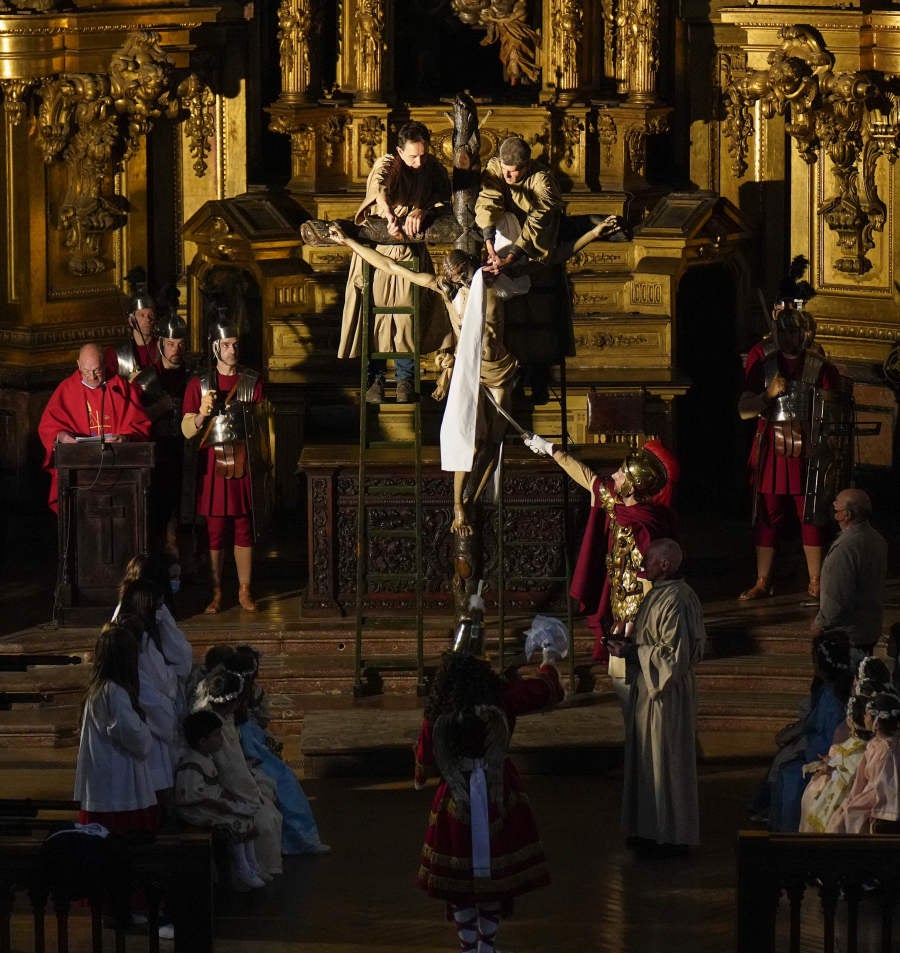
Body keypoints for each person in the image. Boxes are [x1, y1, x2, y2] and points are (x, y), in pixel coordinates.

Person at [414, 638, 563, 953]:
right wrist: (548, 660)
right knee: (494, 878)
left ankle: (469, 947)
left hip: (455, 797)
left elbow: (425, 755)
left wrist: (422, 774)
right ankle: (486, 946)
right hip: (498, 793)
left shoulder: (440, 708)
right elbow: (545, 690)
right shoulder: (502, 698)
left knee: (460, 881)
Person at [522, 434, 678, 672]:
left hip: (640, 606)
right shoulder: (614, 500)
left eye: (620, 474)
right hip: (617, 598)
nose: (613, 475)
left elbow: (653, 577)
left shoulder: (647, 525)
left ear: (631, 486)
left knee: (636, 658)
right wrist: (549, 448)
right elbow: (587, 476)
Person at [337, 120, 451, 404]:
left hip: (410, 253)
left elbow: (443, 198)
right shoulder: (388, 164)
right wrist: (389, 215)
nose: (418, 161)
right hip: (377, 252)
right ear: (400, 151)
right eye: (412, 156)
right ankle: (374, 379)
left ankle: (405, 379)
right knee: (374, 316)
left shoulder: (432, 168)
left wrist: (422, 210)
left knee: (407, 318)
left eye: (423, 154)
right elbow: (380, 188)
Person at [737, 297, 841, 601]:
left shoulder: (821, 368)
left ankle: (816, 580)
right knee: (767, 515)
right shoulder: (764, 366)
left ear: (804, 334)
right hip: (772, 446)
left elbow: (832, 413)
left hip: (808, 449)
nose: (787, 337)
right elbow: (744, 411)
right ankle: (762, 581)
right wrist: (767, 394)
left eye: (792, 332)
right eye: (782, 332)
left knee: (811, 513)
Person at [621, 538, 705, 855]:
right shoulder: (659, 594)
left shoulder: (677, 600)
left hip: (666, 694)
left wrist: (634, 652)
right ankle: (648, 828)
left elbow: (673, 658)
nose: (644, 565)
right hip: (650, 688)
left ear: (665, 564)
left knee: (666, 760)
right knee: (648, 760)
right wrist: (630, 649)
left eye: (650, 560)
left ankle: (670, 835)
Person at [181, 314, 266, 613]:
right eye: (227, 344)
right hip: (213, 465)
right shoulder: (199, 384)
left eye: (235, 344)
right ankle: (216, 592)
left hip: (244, 461)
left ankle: (244, 590)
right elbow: (187, 430)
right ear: (215, 347)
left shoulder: (253, 382)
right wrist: (202, 414)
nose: (233, 350)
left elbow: (263, 429)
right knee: (215, 531)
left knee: (244, 527)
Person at [227, 644, 330, 855]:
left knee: (286, 781)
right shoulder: (232, 700)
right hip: (242, 753)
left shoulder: (253, 694)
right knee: (282, 782)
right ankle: (296, 841)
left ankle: (300, 839)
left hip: (254, 744)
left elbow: (262, 722)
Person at [190, 667, 284, 879]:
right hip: (224, 789)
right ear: (233, 702)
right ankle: (248, 870)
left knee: (271, 810)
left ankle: (256, 866)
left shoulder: (226, 720)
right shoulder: (213, 726)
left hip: (237, 784)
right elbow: (228, 768)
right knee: (264, 821)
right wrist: (249, 794)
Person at [37, 343, 152, 513]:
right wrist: (61, 436)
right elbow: (48, 426)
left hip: (117, 468)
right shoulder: (67, 389)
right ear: (78, 365)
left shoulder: (119, 387)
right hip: (80, 467)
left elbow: (140, 424)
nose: (91, 376)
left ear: (105, 364)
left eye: (97, 370)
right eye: (86, 371)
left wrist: (126, 438)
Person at [74, 622, 157, 834]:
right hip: (116, 779)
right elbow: (129, 732)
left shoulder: (99, 688)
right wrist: (145, 732)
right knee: (119, 834)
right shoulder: (113, 692)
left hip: (105, 774)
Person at [762, 636, 851, 832]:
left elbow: (827, 735)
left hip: (828, 755)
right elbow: (813, 724)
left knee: (788, 774)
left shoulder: (832, 697)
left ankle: (786, 832)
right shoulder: (829, 691)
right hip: (820, 749)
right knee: (784, 764)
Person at [175, 710, 269, 891]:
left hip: (211, 804)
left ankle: (252, 864)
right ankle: (242, 869)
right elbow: (190, 795)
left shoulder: (207, 758)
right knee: (235, 821)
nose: (221, 740)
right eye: (217, 735)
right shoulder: (192, 763)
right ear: (202, 741)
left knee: (248, 816)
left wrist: (227, 797)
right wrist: (220, 804)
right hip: (196, 810)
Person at [811, 488, 887, 657]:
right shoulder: (877, 539)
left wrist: (820, 625)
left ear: (846, 515)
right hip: (868, 629)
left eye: (836, 505)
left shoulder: (845, 548)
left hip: (845, 636)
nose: (833, 505)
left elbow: (836, 597)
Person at [827, 691, 900, 834]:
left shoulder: (887, 751)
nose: (864, 718)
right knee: (842, 811)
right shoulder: (874, 745)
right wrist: (852, 797)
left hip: (880, 802)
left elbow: (884, 788)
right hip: (870, 794)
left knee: (845, 818)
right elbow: (861, 779)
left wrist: (856, 802)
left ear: (876, 723)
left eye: (866, 715)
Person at [800, 693, 872, 833]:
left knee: (813, 793)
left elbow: (846, 775)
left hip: (847, 798)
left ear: (850, 721)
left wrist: (831, 770)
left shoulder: (855, 750)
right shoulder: (867, 746)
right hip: (856, 794)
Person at [103, 267, 159, 381]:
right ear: (131, 320)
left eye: (150, 315)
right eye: (142, 315)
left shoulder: (162, 348)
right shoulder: (115, 354)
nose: (148, 319)